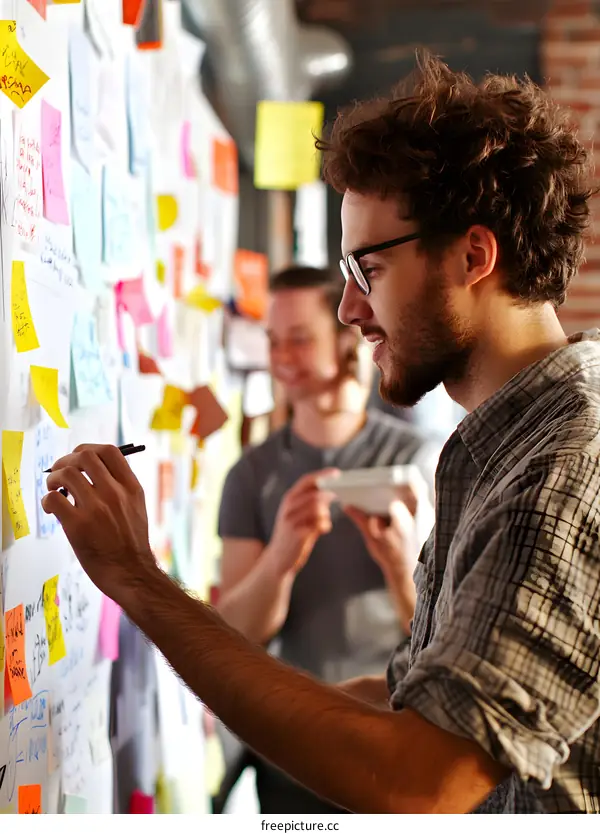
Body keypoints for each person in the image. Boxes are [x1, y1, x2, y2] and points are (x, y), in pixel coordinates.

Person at [42, 53, 600, 813]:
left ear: (474, 256)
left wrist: (135, 578)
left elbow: (419, 780)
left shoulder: (561, 467)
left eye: (367, 269)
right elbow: (404, 703)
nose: (347, 310)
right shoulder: (493, 451)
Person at [216, 265, 438, 813]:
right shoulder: (250, 475)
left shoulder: (414, 463)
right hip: (292, 742)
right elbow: (232, 637)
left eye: (299, 339)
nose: (281, 357)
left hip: (395, 735)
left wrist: (401, 566)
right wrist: (280, 561)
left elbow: (442, 638)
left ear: (346, 342)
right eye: (272, 341)